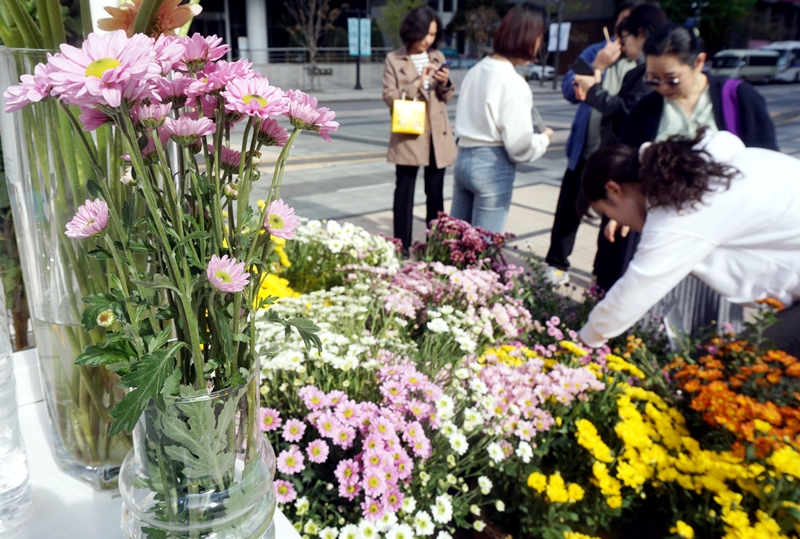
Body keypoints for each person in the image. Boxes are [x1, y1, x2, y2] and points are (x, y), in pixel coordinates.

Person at [614, 24, 779, 337]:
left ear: (699, 62)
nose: (662, 87)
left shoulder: (738, 99)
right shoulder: (646, 110)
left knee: (709, 324)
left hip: (720, 236)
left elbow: (765, 164)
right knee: (654, 318)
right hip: (664, 232)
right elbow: (627, 166)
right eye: (653, 79)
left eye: (671, 78)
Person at [578, 130, 800, 357]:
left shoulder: (683, 209)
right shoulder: (701, 171)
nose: (616, 222)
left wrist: (585, 341)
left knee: (749, 365)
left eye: (608, 213)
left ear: (614, 190)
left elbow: (639, 286)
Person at [571, 3, 671, 292]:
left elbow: (625, 111)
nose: (621, 45)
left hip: (632, 178)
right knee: (612, 250)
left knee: (621, 258)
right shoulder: (633, 69)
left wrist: (594, 89)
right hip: (624, 174)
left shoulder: (644, 75)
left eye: (624, 37)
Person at [544, 0, 643, 286]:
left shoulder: (642, 64)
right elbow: (568, 90)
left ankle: (602, 274)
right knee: (569, 210)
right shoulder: (595, 51)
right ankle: (557, 264)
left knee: (612, 217)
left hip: (616, 156)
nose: (623, 37)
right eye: (621, 27)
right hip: (584, 150)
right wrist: (597, 64)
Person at [450, 2, 553, 233]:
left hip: (464, 158)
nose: (540, 45)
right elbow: (519, 147)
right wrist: (543, 139)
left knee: (456, 243)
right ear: (529, 37)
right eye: (540, 37)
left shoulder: (476, 70)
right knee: (484, 251)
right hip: (492, 166)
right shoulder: (513, 82)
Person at [382, 5, 457, 257]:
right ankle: (401, 246)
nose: (428, 40)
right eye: (425, 33)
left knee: (435, 195)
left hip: (437, 134)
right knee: (404, 193)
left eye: (433, 34)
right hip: (409, 134)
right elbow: (390, 97)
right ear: (412, 31)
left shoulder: (436, 56)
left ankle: (434, 246)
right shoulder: (394, 59)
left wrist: (444, 82)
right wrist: (417, 81)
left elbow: (446, 97)